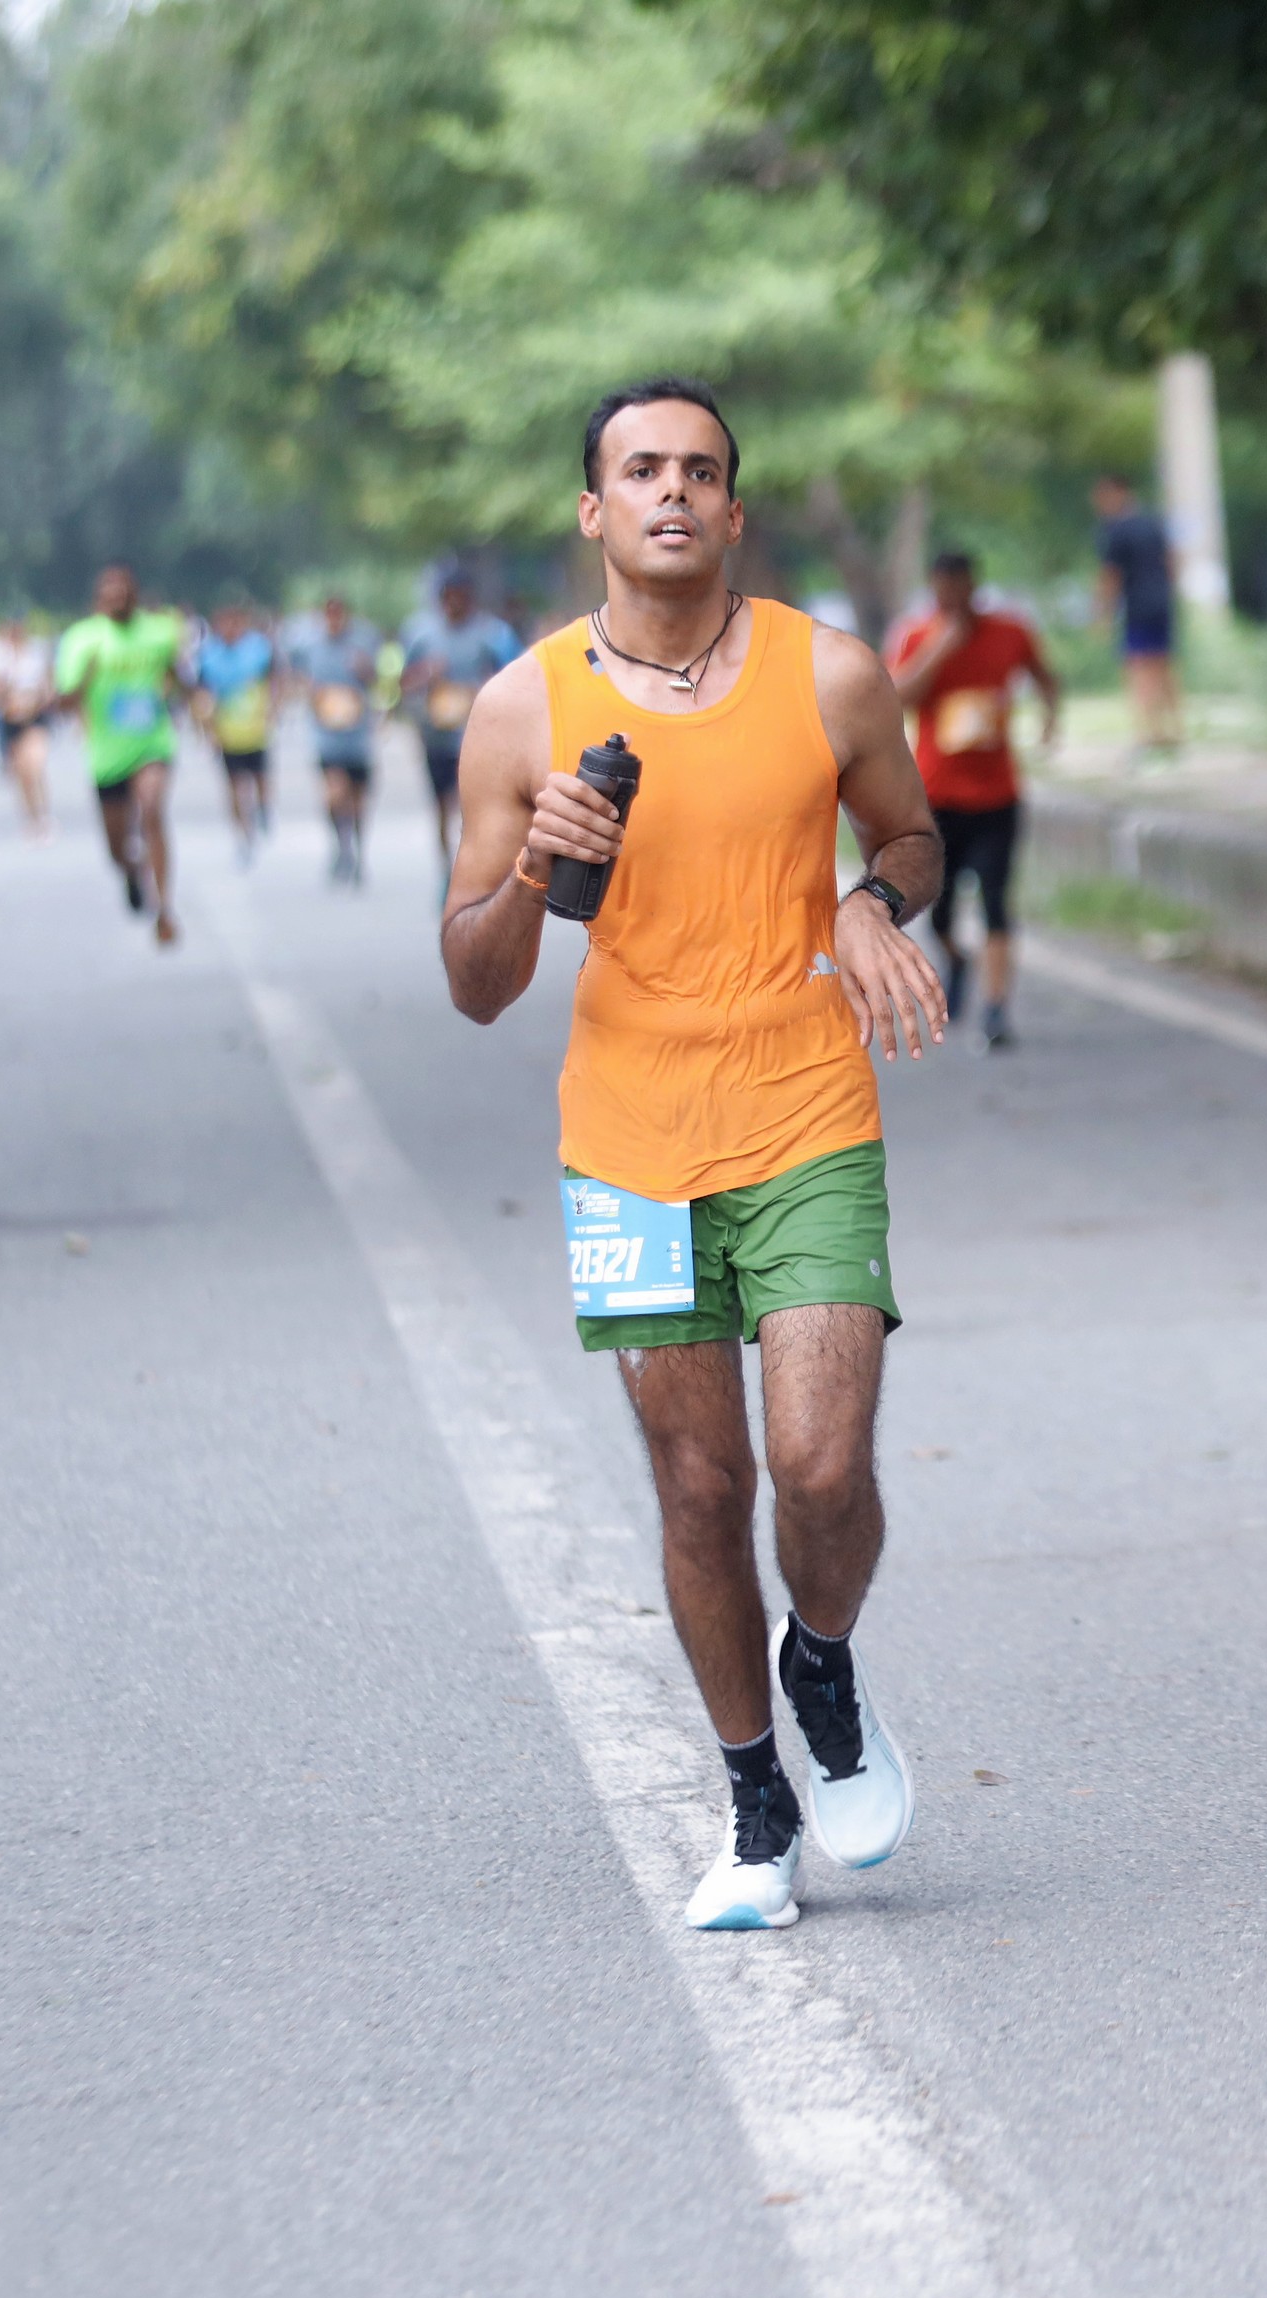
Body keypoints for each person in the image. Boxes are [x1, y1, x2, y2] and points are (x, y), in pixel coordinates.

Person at [440, 377, 949, 1934]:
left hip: (804, 1108)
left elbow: (913, 838)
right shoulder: (521, 709)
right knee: (698, 1484)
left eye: (700, 471)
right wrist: (534, 869)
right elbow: (474, 980)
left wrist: (868, 899)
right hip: (629, 1138)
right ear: (592, 509)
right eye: (641, 469)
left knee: (820, 1466)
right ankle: (752, 1798)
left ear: (733, 509)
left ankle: (823, 1662)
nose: (672, 491)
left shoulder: (829, 673)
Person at [885, 549, 1059, 1047]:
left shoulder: (1009, 631)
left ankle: (996, 1010)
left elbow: (1044, 676)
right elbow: (896, 698)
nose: (954, 599)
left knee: (995, 901)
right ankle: (956, 958)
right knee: (938, 909)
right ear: (933, 589)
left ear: (973, 586)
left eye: (961, 589)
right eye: (944, 591)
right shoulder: (917, 636)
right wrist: (941, 649)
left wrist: (1049, 719)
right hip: (937, 796)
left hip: (997, 793)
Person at [55, 564, 189, 948]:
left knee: (152, 811)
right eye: (109, 596)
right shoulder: (83, 640)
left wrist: (188, 697)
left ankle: (164, 909)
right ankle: (132, 870)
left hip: (152, 743)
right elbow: (64, 701)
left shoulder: (160, 632)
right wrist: (85, 678)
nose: (117, 601)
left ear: (135, 596)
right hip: (107, 755)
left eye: (124, 594)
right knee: (117, 848)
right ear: (98, 601)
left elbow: (178, 675)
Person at [396, 571, 522, 872]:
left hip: (477, 735)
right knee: (442, 804)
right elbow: (403, 682)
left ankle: (473, 866)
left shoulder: (492, 634)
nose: (454, 603)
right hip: (436, 732)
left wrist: (485, 686)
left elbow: (517, 675)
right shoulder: (420, 635)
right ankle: (446, 868)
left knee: (469, 802)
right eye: (448, 597)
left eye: (460, 597)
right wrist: (426, 674)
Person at [285, 593, 382, 887]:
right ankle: (340, 844)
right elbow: (296, 676)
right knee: (334, 795)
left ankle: (358, 850)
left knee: (358, 801)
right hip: (327, 736)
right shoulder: (310, 646)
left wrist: (365, 671)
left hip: (357, 736)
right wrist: (309, 689)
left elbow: (379, 679)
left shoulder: (363, 642)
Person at [1091, 474, 1181, 754]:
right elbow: (1172, 561)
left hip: (1137, 606)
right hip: (1162, 603)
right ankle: (1174, 729)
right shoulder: (1154, 522)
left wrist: (1103, 614)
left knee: (1138, 667)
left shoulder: (1115, 531)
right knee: (1163, 665)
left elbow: (1111, 576)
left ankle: (1147, 733)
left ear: (1117, 493)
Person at [192, 599, 278, 868]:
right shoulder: (209, 655)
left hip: (256, 730)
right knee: (234, 787)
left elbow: (274, 680)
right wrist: (206, 729)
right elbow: (202, 695)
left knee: (260, 779)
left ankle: (263, 809)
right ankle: (243, 834)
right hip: (227, 733)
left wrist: (273, 710)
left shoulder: (258, 649)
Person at [0, 614, 55, 838]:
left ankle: (44, 814)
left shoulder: (35, 655)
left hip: (35, 719)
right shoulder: (1, 658)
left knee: (36, 765)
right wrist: (10, 702)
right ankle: (30, 817)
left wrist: (34, 703)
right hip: (10, 720)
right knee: (22, 773)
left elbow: (47, 686)